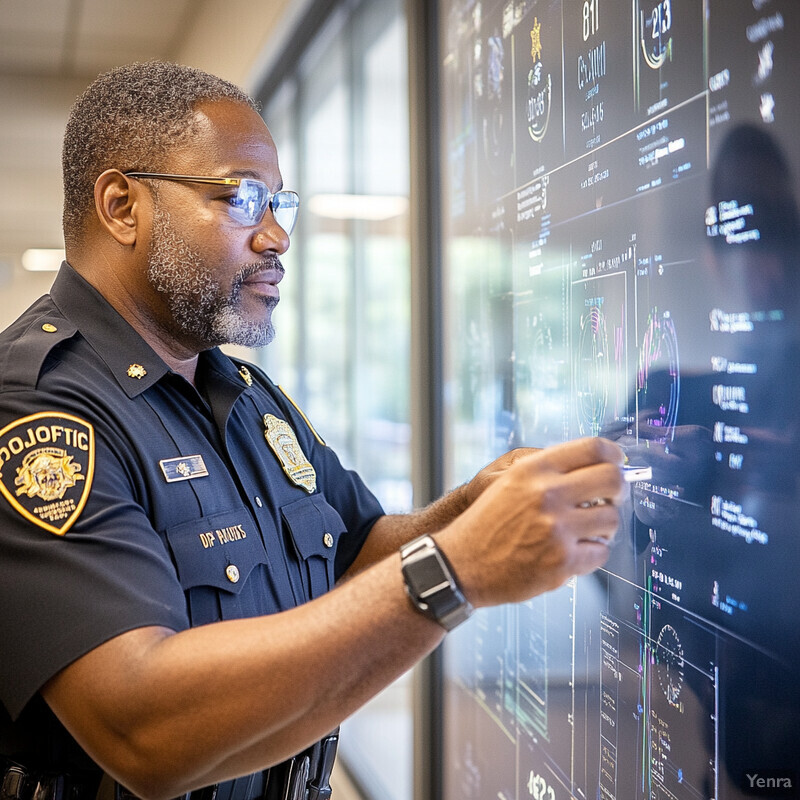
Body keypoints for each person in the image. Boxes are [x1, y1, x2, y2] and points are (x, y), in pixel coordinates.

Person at [0, 61, 624, 800]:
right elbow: (142, 730)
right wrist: (455, 571)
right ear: (121, 206)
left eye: (280, 205)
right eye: (242, 199)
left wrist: (472, 508)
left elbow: (355, 551)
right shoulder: (40, 413)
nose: (276, 238)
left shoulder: (245, 395)